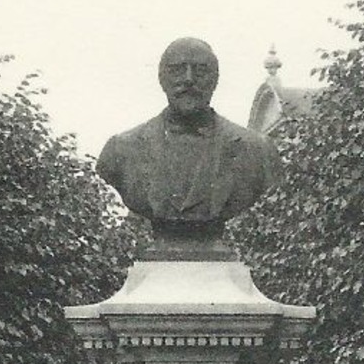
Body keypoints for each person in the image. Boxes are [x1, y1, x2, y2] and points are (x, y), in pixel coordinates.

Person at [96, 37, 281, 241]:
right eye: (177, 70)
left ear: (215, 79)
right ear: (162, 78)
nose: (188, 80)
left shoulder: (257, 150)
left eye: (200, 71)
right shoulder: (121, 149)